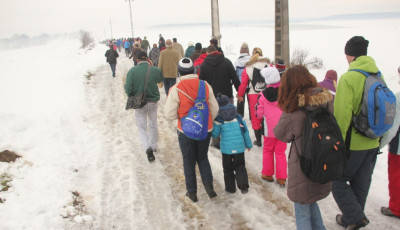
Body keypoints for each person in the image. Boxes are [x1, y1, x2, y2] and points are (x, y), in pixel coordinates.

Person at [274, 65, 333, 230]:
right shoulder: (326, 100)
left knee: (302, 210)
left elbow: (280, 134)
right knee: (311, 202)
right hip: (324, 161)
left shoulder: (294, 109)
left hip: (303, 166)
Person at [332, 36, 380, 229]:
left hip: (354, 143)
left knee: (337, 181)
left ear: (348, 54)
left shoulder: (348, 78)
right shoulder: (378, 76)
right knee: (361, 183)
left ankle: (354, 216)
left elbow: (342, 116)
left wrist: (337, 145)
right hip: (373, 141)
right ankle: (352, 218)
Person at [164, 57, 219, 202]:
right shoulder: (205, 85)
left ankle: (192, 192)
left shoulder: (176, 88)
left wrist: (182, 117)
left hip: (185, 131)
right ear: (193, 70)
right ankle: (209, 186)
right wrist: (207, 121)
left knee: (188, 160)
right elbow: (215, 108)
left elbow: (168, 114)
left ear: (180, 71)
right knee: (202, 157)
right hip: (205, 130)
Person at [124, 51, 163, 162]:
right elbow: (160, 79)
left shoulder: (132, 71)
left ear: (137, 60)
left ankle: (147, 147)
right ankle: (154, 146)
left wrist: (132, 96)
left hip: (139, 103)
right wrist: (151, 65)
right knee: (153, 124)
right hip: (153, 102)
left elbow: (128, 89)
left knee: (141, 127)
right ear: (147, 59)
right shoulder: (154, 70)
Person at [199, 45, 241, 149]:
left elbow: (201, 82)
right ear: (216, 51)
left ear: (207, 53)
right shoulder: (226, 62)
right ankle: (230, 139)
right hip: (227, 95)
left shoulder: (204, 65)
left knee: (215, 119)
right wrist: (239, 92)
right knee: (229, 118)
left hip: (211, 97)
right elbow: (235, 78)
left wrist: (201, 97)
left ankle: (216, 141)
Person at [212, 94, 252, 194]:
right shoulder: (238, 117)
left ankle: (230, 189)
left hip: (226, 150)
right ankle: (243, 183)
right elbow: (245, 131)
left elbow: (215, 134)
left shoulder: (219, 119)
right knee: (240, 165)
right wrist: (248, 144)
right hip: (239, 147)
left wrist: (214, 125)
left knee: (228, 168)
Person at [255, 67, 287, 186]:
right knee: (280, 153)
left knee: (268, 151)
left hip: (269, 129)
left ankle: (268, 174)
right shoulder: (284, 94)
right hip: (282, 129)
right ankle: (282, 177)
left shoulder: (262, 95)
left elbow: (259, 113)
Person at [236, 47, 271, 147]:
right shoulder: (268, 65)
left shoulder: (248, 67)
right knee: (267, 115)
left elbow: (243, 84)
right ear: (261, 53)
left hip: (253, 94)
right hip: (267, 93)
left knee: (255, 116)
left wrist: (240, 95)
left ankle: (258, 140)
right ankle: (268, 138)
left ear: (252, 54)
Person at [379, 66, 400, 219]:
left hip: (398, 149)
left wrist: (378, 146)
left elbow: (392, 128)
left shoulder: (398, 98)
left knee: (396, 177)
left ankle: (396, 208)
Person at [234, 42, 251, 118]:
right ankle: (252, 115)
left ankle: (240, 116)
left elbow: (234, 74)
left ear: (240, 51)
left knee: (240, 101)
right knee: (251, 102)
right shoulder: (251, 60)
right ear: (248, 51)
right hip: (250, 85)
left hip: (241, 85)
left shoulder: (237, 62)